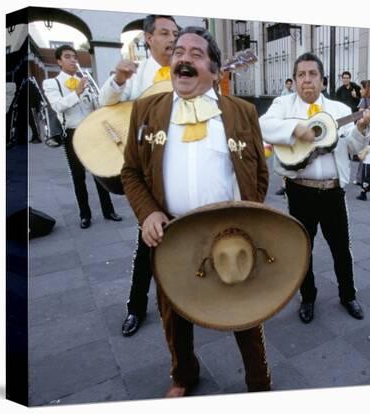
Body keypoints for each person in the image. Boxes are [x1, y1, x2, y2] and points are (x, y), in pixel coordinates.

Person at [121, 26, 271, 397]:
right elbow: (131, 171)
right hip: (171, 233)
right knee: (173, 314)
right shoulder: (146, 110)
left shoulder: (242, 112)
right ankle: (184, 375)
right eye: (178, 52)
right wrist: (148, 213)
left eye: (196, 54)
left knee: (245, 312)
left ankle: (259, 383)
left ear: (215, 70)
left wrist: (249, 217)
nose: (184, 59)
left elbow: (260, 173)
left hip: (231, 232)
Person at [260, 53, 370, 324]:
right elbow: (263, 125)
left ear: (323, 81)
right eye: (301, 75)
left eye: (312, 74)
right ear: (295, 80)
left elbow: (354, 148)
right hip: (299, 190)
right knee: (303, 247)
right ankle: (308, 297)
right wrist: (295, 129)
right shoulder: (283, 104)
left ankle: (348, 295)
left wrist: (361, 128)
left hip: (333, 190)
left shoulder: (339, 111)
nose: (307, 80)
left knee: (340, 247)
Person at [99, 15, 179, 338]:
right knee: (147, 242)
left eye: (175, 32)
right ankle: (135, 307)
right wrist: (118, 79)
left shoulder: (186, 68)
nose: (171, 38)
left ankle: (190, 302)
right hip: (147, 171)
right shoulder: (139, 73)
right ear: (149, 39)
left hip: (179, 165)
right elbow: (107, 100)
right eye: (164, 33)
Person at [43, 45, 122, 229]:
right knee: (78, 176)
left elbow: (95, 106)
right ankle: (85, 215)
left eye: (74, 57)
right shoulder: (51, 84)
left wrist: (97, 100)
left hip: (92, 131)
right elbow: (57, 106)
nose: (73, 60)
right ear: (59, 61)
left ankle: (108, 210)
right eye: (68, 57)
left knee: (99, 171)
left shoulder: (83, 81)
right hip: (71, 132)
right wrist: (77, 92)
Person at [99, 15, 179, 105]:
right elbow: (104, 101)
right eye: (164, 33)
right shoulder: (133, 73)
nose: (173, 39)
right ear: (149, 38)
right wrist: (118, 81)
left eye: (176, 35)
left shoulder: (187, 72)